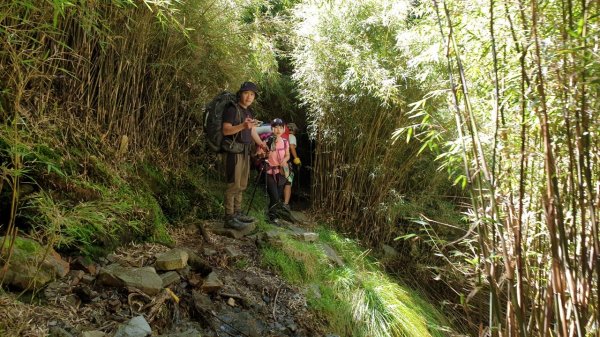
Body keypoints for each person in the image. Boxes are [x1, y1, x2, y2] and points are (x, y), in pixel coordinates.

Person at [222, 81, 267, 229]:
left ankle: (238, 213)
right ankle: (229, 217)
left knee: (242, 184)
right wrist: (242, 126)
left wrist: (261, 144)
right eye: (246, 93)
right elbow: (226, 130)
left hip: (245, 152)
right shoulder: (232, 109)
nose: (249, 97)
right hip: (234, 151)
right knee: (233, 184)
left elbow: (252, 130)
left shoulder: (248, 112)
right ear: (240, 94)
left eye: (252, 94)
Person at [265, 118, 290, 220]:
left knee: (277, 196)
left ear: (284, 129)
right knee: (274, 196)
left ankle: (272, 215)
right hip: (270, 172)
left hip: (281, 172)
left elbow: (288, 155)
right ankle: (271, 216)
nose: (278, 130)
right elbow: (261, 154)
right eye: (275, 127)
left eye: (280, 127)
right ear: (272, 129)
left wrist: (285, 160)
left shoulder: (285, 142)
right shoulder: (267, 140)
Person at [283, 123, 301, 208]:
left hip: (277, 160)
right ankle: (285, 203)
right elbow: (292, 147)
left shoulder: (281, 135)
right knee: (288, 181)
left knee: (280, 179)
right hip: (286, 162)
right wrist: (296, 159)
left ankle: (277, 200)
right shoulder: (292, 137)